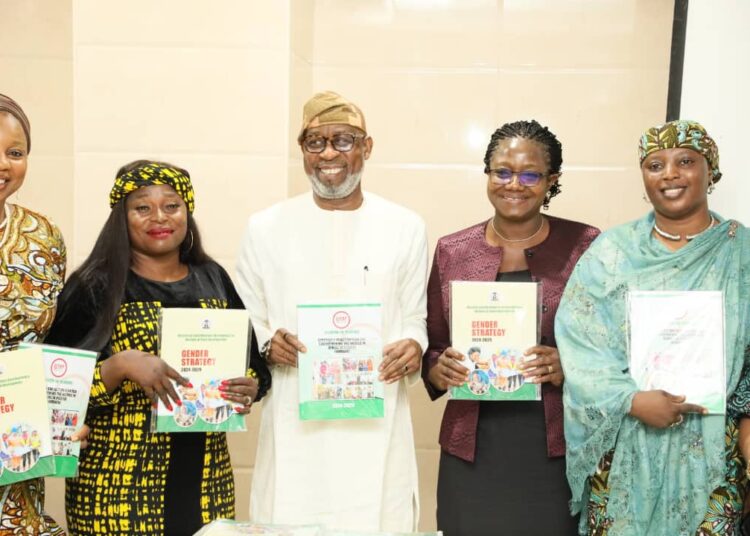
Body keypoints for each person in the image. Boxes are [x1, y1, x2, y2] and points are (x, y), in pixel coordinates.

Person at [45, 161, 272, 536]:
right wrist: (118, 366)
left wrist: (249, 385)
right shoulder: (95, 285)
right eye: (142, 207)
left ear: (188, 211)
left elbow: (256, 367)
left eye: (171, 205)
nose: (159, 217)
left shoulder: (213, 279)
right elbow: (54, 389)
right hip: (115, 489)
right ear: (122, 216)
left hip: (205, 483)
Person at [236, 91, 428, 531]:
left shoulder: (405, 226)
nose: (328, 154)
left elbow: (416, 314)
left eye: (343, 140)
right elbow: (246, 316)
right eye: (314, 142)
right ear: (301, 149)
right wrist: (267, 341)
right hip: (294, 418)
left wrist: (414, 345)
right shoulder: (265, 226)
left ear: (367, 147)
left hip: (377, 415)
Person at [555, 120, 750, 535]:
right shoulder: (612, 252)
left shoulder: (742, 252)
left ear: (710, 171)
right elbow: (580, 342)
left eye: (685, 161)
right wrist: (631, 400)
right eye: (655, 165)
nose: (670, 174)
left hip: (716, 449)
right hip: (627, 443)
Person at [422, 120, 600, 535]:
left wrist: (566, 363)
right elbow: (432, 345)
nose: (514, 184)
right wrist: (438, 367)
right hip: (472, 447)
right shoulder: (453, 250)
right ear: (487, 174)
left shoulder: (585, 245)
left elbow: (610, 347)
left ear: (551, 180)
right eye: (502, 171)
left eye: (530, 174)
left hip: (555, 447)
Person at [0, 94, 66, 535]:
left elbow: (57, 340)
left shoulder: (43, 236)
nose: (5, 164)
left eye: (15, 152)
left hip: (18, 446)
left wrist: (66, 413)